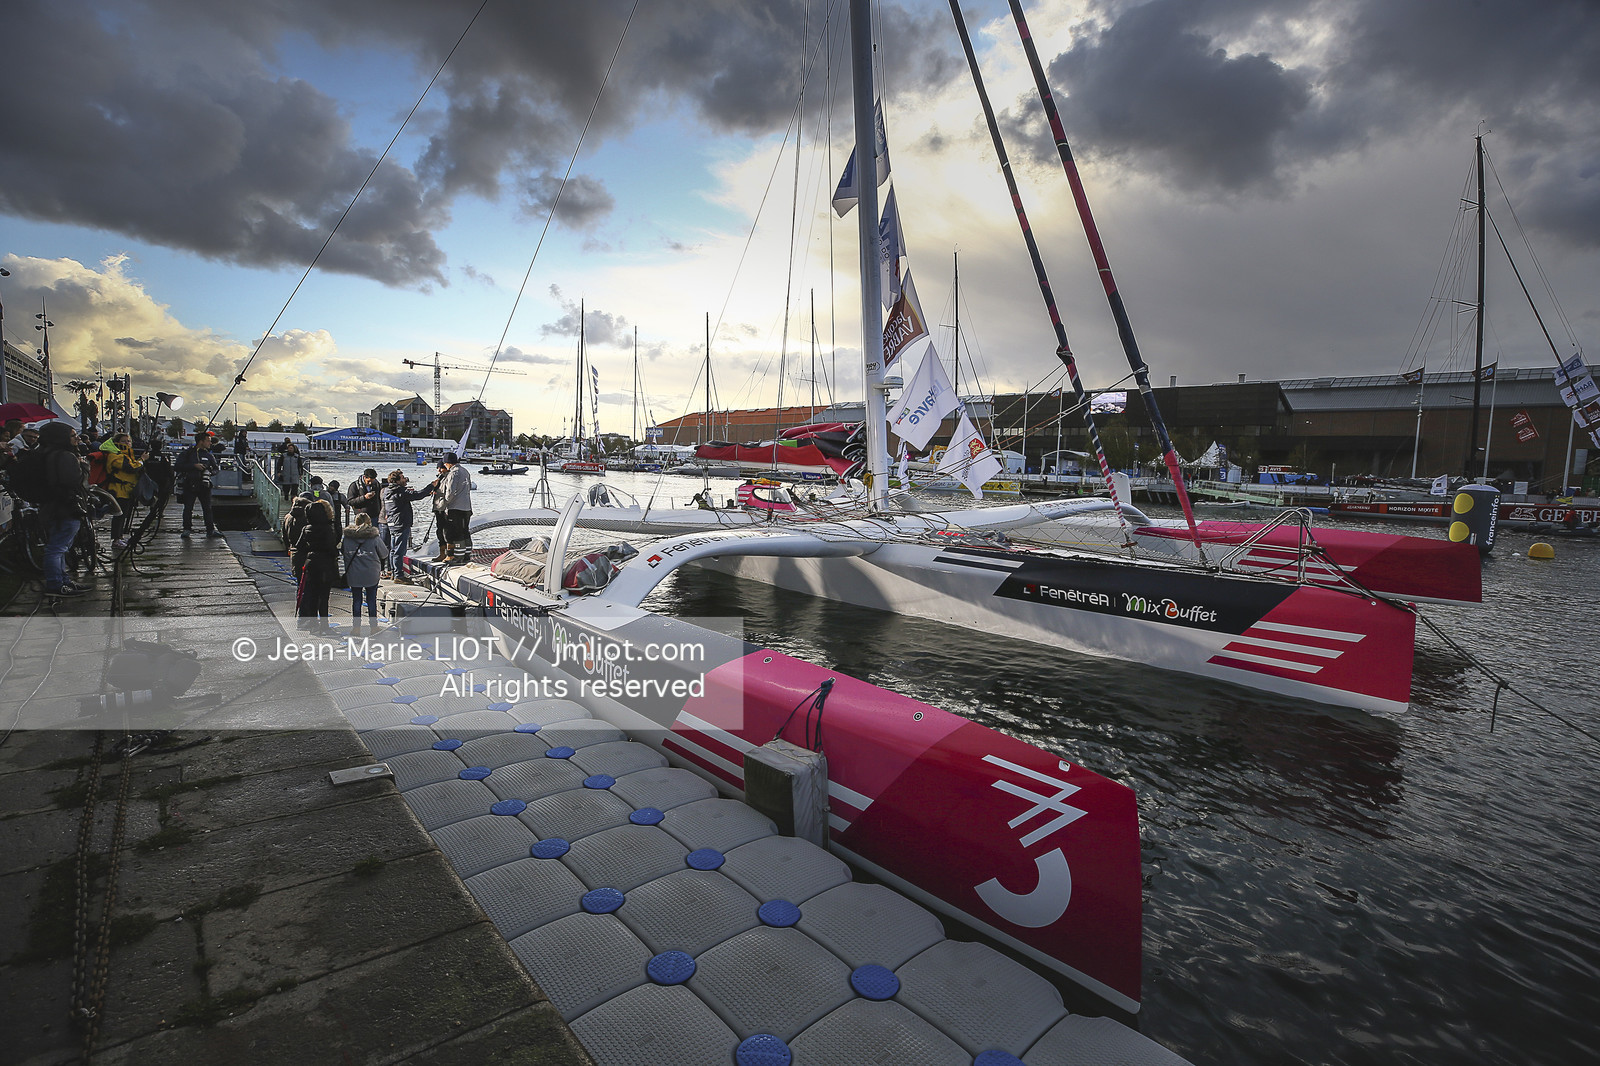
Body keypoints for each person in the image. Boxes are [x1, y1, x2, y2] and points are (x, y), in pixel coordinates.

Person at [33, 421, 91, 596]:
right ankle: (55, 584)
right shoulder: (64, 456)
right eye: (73, 435)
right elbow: (74, 481)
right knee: (57, 548)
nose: (77, 438)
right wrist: (83, 466)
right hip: (66, 507)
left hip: (53, 506)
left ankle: (63, 580)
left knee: (61, 547)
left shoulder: (46, 454)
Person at [294, 499, 340, 631]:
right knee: (324, 597)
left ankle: (313, 624)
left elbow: (299, 546)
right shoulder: (327, 528)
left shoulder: (306, 528)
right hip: (325, 564)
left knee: (312, 595)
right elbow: (331, 548)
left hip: (310, 563)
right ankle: (324, 625)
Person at [341, 512, 389, 634]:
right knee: (371, 600)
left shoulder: (347, 538)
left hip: (354, 573)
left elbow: (343, 552)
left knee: (356, 600)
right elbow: (384, 554)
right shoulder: (374, 538)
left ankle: (356, 628)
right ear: (369, 523)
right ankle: (373, 627)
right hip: (371, 574)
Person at [380, 470, 432, 578]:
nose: (405, 479)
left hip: (392, 524)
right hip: (401, 523)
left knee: (393, 550)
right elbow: (418, 495)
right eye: (403, 478)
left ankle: (393, 572)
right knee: (399, 550)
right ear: (397, 481)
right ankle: (399, 576)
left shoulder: (387, 491)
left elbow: (409, 496)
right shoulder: (400, 492)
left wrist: (427, 493)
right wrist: (431, 485)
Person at [103, 431, 148, 546]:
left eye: (129, 441)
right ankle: (116, 539)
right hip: (118, 490)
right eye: (124, 441)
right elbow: (130, 468)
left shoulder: (127, 455)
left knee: (124, 515)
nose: (127, 443)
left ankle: (120, 536)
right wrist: (141, 460)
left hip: (127, 490)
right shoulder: (116, 455)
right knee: (119, 515)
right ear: (116, 442)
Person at [174, 433, 222, 538]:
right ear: (201, 441)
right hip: (190, 484)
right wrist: (193, 466)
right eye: (208, 441)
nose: (210, 443)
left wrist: (209, 472)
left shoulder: (209, 455)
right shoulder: (188, 454)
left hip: (204, 485)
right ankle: (186, 529)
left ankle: (210, 530)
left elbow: (216, 469)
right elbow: (177, 466)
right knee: (188, 508)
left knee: (207, 508)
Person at [433, 453, 473, 564]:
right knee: (465, 532)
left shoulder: (453, 473)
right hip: (467, 507)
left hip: (455, 508)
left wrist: (444, 505)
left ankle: (456, 557)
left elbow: (450, 492)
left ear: (447, 463)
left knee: (455, 533)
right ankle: (466, 555)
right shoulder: (465, 471)